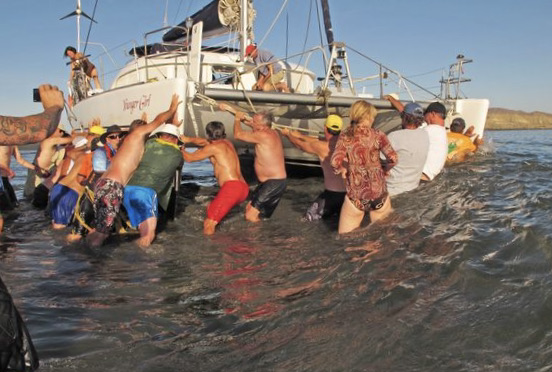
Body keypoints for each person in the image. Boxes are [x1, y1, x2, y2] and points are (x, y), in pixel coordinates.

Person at [86, 94, 180, 248]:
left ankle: (85, 250)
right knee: (101, 234)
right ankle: (92, 266)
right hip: (112, 186)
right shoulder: (137, 135)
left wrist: (172, 124)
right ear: (141, 129)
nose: (149, 131)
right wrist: (172, 109)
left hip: (105, 185)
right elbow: (157, 121)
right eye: (146, 129)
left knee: (101, 229)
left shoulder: (131, 143)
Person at [331, 100, 398, 234]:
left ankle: (359, 255)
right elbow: (394, 158)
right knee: (382, 237)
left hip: (356, 197)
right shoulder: (378, 135)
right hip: (379, 196)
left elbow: (334, 162)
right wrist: (385, 170)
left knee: (347, 240)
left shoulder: (345, 136)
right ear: (369, 116)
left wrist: (343, 169)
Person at [181, 120, 249, 235]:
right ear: (223, 133)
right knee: (211, 209)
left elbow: (189, 158)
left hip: (232, 188)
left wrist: (180, 147)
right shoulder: (228, 143)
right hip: (243, 188)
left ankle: (209, 251)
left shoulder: (212, 148)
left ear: (207, 134)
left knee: (209, 223)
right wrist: (189, 139)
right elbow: (203, 141)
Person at [122, 123, 185, 247]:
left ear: (160, 135)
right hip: (146, 193)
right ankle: (139, 263)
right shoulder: (177, 155)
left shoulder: (148, 144)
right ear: (176, 139)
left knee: (134, 229)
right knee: (148, 235)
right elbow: (179, 165)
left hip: (126, 190)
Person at [279, 114, 346, 221]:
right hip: (347, 197)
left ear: (325, 128)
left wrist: (287, 135)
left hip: (331, 196)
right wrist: (299, 135)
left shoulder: (321, 146)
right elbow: (317, 139)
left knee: (305, 221)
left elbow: (300, 145)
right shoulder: (346, 143)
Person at [227, 106, 287, 222]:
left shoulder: (263, 135)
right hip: (270, 182)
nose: (251, 123)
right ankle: (262, 236)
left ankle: (256, 240)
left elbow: (237, 135)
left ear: (263, 125)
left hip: (273, 183)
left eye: (254, 122)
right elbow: (251, 123)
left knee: (251, 215)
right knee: (251, 210)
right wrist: (230, 110)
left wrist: (236, 119)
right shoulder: (271, 131)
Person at [382, 98, 430, 196]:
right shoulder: (425, 135)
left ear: (404, 117)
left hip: (391, 191)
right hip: (412, 189)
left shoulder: (394, 136)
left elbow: (379, 159)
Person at [24, 127, 73, 209]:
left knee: (34, 201)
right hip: (37, 172)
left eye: (62, 131)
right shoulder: (48, 140)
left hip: (45, 178)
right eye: (60, 131)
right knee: (30, 196)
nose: (61, 133)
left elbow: (57, 168)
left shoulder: (60, 149)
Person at [49, 136, 91, 229]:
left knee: (56, 225)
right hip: (71, 193)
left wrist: (86, 146)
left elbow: (70, 153)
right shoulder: (94, 157)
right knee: (61, 228)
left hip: (59, 188)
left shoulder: (78, 154)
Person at [421, 102, 448, 181]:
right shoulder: (442, 131)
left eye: (425, 115)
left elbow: (409, 124)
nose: (424, 119)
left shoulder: (430, 130)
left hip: (422, 177)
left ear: (432, 114)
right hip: (431, 178)